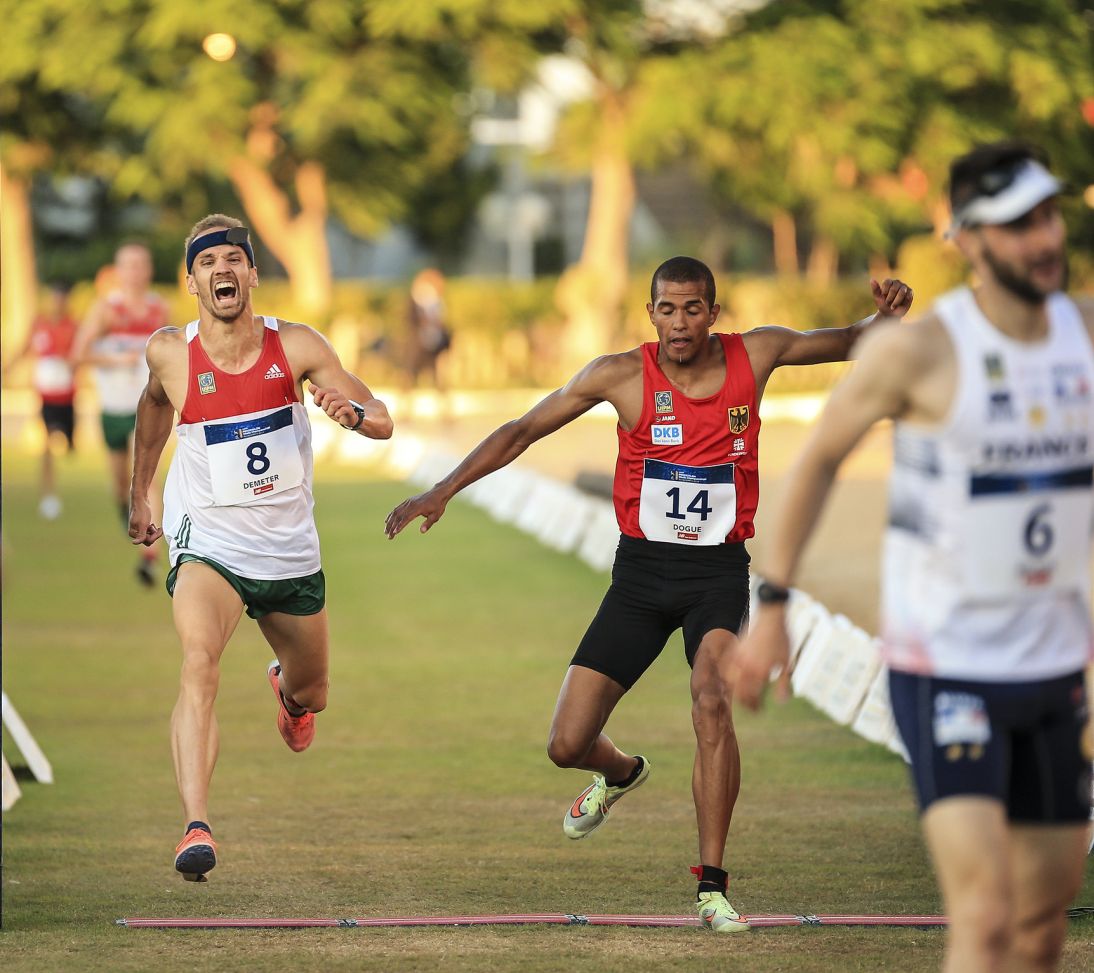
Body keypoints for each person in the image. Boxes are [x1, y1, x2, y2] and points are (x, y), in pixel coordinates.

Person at [385, 257, 912, 930]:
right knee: (566, 742)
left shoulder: (760, 352)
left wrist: (883, 318)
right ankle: (622, 772)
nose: (680, 322)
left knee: (712, 700)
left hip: (716, 576)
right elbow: (523, 429)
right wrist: (443, 489)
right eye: (667, 309)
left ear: (713, 313)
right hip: (639, 578)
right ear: (652, 312)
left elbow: (844, 339)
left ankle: (712, 886)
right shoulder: (622, 375)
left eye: (694, 309)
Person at [734, 142, 1092, 971]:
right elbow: (819, 457)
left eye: (1048, 215)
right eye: (1017, 225)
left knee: (1043, 926)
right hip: (948, 670)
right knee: (985, 913)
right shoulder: (917, 352)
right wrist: (774, 608)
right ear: (967, 238)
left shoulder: (1086, 334)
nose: (1043, 239)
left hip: (1056, 672)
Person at [127, 215, 393, 882]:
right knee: (198, 660)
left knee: (315, 690)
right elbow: (153, 407)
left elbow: (383, 419)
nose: (222, 269)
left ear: (251, 274)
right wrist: (142, 493)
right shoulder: (169, 352)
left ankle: (290, 694)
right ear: (191, 281)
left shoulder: (297, 345)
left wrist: (351, 413)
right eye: (208, 261)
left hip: (287, 555)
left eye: (234, 259)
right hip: (208, 544)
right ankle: (195, 824)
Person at [72, 243, 170, 585]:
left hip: (147, 409)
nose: (136, 271)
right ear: (119, 270)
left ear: (149, 269)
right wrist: (117, 360)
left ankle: (149, 555)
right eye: (129, 265)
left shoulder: (160, 309)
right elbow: (78, 354)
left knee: (146, 478)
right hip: (112, 409)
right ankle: (125, 510)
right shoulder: (106, 310)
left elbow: (172, 356)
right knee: (120, 483)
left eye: (141, 264)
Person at [3, 282, 80, 520]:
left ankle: (70, 441)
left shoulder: (74, 326)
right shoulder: (40, 324)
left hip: (68, 396)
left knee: (67, 446)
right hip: (46, 397)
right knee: (46, 445)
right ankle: (48, 496)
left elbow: (81, 354)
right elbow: (25, 349)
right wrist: (6, 368)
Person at [406, 268, 451, 390]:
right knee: (411, 373)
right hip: (419, 344)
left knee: (437, 375)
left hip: (434, 342)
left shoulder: (437, 302)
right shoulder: (417, 301)